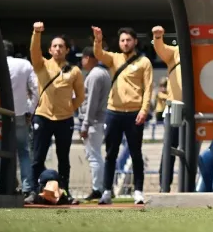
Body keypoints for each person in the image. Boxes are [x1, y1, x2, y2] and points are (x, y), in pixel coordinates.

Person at [91, 26, 153, 206]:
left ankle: (138, 192)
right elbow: (98, 53)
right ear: (119, 43)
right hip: (113, 112)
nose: (125, 43)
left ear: (135, 42)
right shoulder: (114, 58)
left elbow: (148, 88)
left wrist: (144, 110)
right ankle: (107, 192)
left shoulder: (144, 62)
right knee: (111, 154)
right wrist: (98, 39)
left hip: (135, 113)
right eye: (122, 40)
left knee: (136, 154)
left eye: (128, 40)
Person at [28, 23, 84, 205]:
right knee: (37, 158)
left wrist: (68, 108)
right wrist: (37, 33)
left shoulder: (74, 70)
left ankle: (64, 192)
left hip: (65, 119)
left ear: (67, 50)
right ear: (50, 50)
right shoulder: (41, 65)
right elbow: (34, 50)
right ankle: (34, 191)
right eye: (55, 46)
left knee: (63, 159)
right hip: (43, 116)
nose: (58, 49)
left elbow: (81, 96)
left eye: (61, 46)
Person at [2, 40, 39, 198]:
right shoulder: (24, 64)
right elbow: (36, 90)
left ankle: (2, 185)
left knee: (0, 151)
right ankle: (26, 188)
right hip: (19, 115)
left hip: (0, 115)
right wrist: (29, 110)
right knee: (24, 152)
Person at [151, 25, 183, 192]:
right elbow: (160, 48)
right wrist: (158, 37)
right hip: (175, 108)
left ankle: (188, 186)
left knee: (192, 150)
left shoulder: (202, 51)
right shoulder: (175, 51)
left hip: (195, 110)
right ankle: (164, 186)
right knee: (169, 148)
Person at [77, 46, 111, 202]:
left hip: (94, 121)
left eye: (83, 57)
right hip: (99, 119)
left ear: (89, 58)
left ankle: (98, 188)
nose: (82, 61)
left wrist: (85, 124)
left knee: (94, 156)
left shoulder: (95, 74)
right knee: (97, 156)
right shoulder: (104, 72)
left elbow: (91, 102)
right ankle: (103, 187)